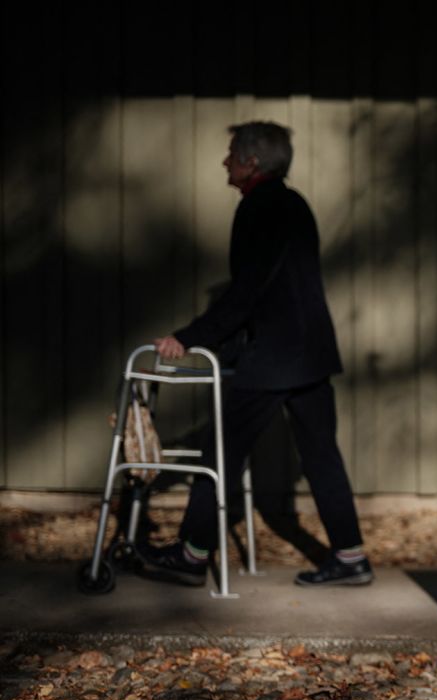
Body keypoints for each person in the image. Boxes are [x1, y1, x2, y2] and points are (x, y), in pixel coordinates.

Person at [140, 121, 372, 588]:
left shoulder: (258, 209)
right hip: (310, 354)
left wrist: (189, 336)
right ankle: (350, 557)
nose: (225, 162)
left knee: (221, 451)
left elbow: (249, 291)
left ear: (250, 162)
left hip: (273, 358)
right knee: (322, 454)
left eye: (231, 154)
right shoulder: (295, 204)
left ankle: (190, 554)